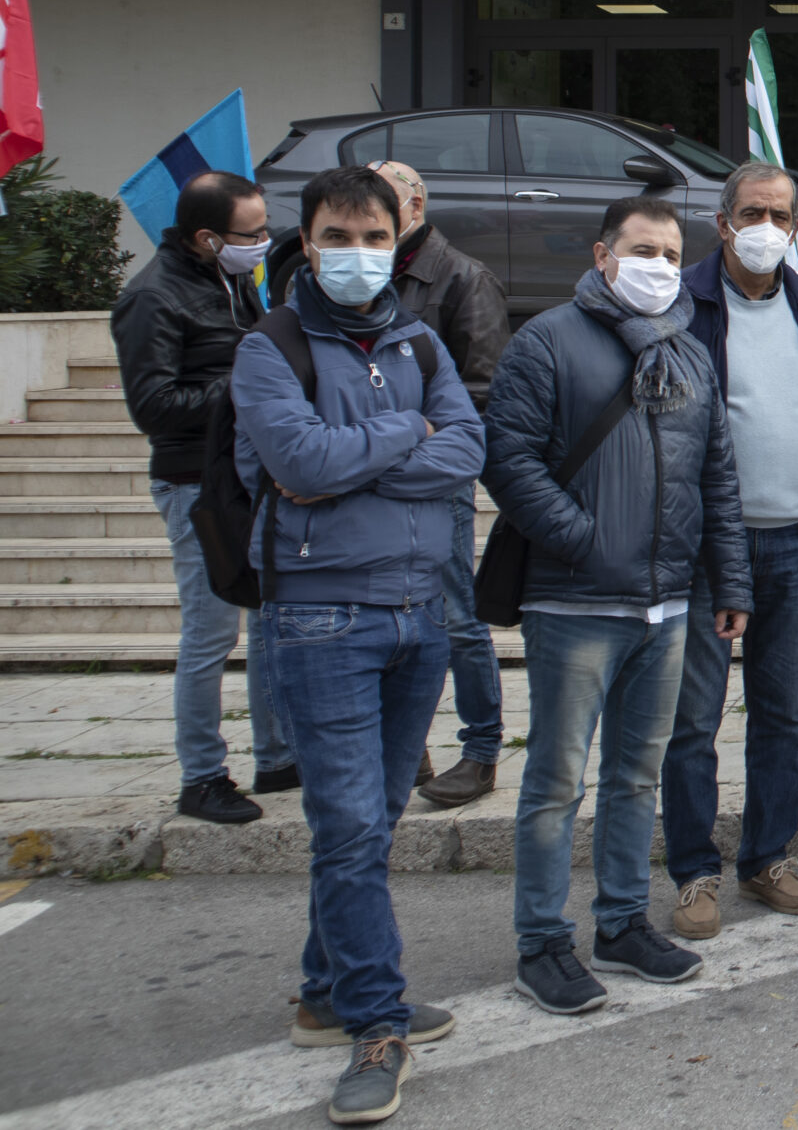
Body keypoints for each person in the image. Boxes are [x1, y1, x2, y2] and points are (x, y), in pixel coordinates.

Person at [230, 165, 484, 1124]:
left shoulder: (419, 340)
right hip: (321, 616)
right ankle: (376, 1023)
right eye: (338, 236)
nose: (358, 254)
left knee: (368, 824)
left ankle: (324, 990)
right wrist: (404, 436)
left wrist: (366, 450)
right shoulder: (271, 348)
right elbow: (296, 463)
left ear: (399, 240)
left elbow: (469, 447)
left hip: (420, 613)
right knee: (347, 830)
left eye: (374, 237)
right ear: (307, 243)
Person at [483, 196, 750, 1016]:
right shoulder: (549, 340)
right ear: (604, 255)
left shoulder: (690, 351)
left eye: (672, 254)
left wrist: (730, 579)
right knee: (557, 781)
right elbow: (508, 455)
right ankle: (541, 941)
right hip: (575, 600)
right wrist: (581, 538)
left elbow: (716, 475)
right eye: (643, 249)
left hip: (666, 604)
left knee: (637, 775)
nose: (660, 266)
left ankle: (623, 921)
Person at [660, 163, 798, 941]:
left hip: (795, 537)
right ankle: (694, 871)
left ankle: (768, 856)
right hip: (708, 545)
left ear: (797, 225)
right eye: (752, 212)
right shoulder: (682, 301)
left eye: (780, 214)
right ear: (722, 220)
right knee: (692, 718)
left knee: (782, 713)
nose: (767, 226)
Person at [110, 169, 294, 824]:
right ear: (208, 237)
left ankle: (277, 757)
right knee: (211, 630)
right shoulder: (152, 297)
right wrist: (245, 384)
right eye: (251, 233)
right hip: (194, 482)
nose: (263, 242)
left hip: (248, 473)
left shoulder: (233, 279)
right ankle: (202, 775)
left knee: (270, 618)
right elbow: (154, 406)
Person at [363, 160, 515, 813]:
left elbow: (484, 389)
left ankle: (480, 748)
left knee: (456, 614)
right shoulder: (359, 278)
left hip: (432, 475)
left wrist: (407, 435)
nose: (366, 225)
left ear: (415, 205)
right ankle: (404, 743)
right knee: (386, 614)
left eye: (381, 207)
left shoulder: (461, 277)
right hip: (361, 475)